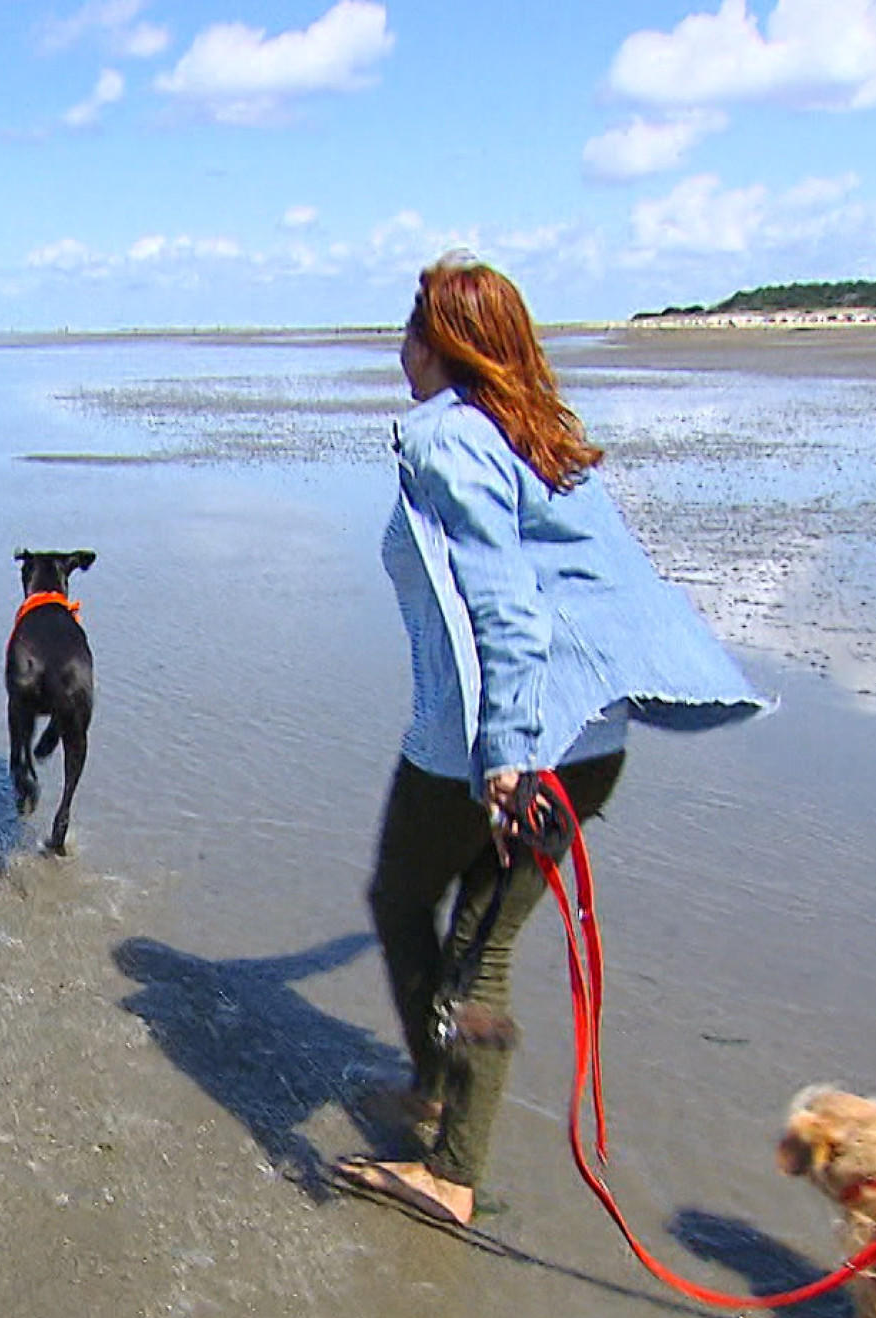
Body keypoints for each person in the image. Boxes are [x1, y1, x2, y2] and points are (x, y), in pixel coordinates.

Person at [334, 254, 768, 1228]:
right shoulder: (539, 436)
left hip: (486, 750)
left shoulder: (450, 441)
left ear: (437, 346)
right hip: (587, 741)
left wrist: (503, 759)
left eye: (406, 333)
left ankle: (444, 1152)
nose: (396, 352)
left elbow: (505, 609)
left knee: (430, 919)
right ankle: (440, 1101)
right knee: (469, 936)